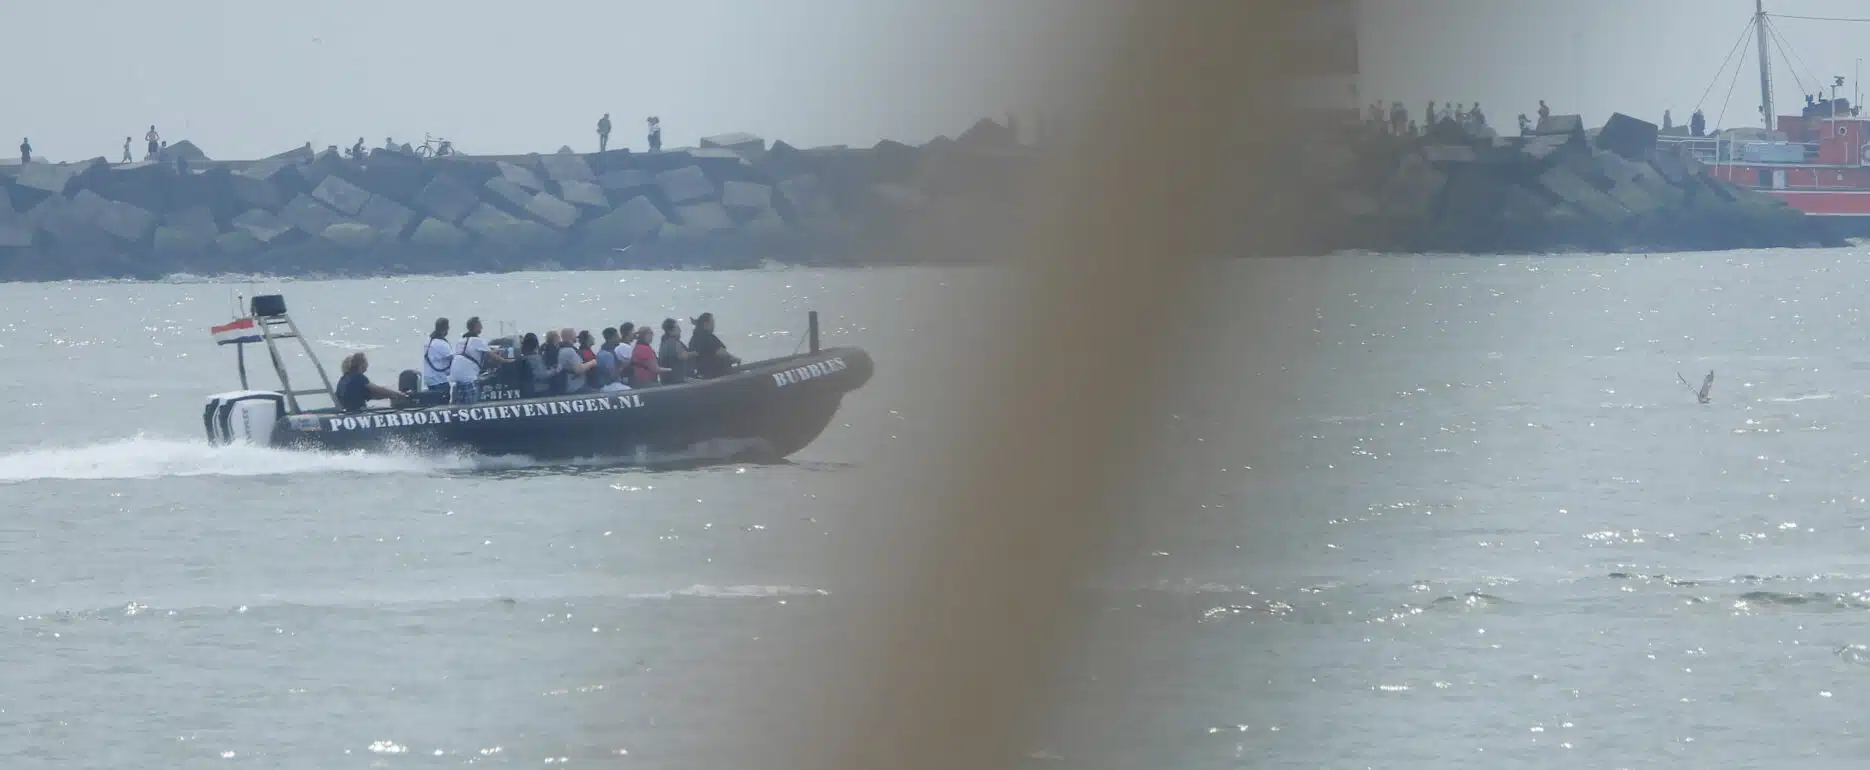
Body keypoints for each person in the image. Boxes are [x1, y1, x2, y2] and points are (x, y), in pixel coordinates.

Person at [448, 316, 510, 404]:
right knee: (471, 402)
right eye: (480, 325)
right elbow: (493, 356)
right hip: (467, 375)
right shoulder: (478, 341)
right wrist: (507, 361)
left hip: (454, 374)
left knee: (459, 403)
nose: (482, 327)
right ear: (476, 326)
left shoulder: (460, 341)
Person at [334, 352, 407, 412]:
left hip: (346, 411)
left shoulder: (344, 379)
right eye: (366, 363)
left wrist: (391, 395)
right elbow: (376, 389)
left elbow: (372, 395)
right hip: (356, 412)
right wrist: (398, 394)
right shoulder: (359, 377)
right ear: (361, 365)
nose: (368, 365)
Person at [687, 312, 739, 378]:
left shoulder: (693, 339)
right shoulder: (707, 337)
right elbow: (721, 352)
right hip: (716, 373)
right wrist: (735, 359)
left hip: (702, 374)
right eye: (712, 323)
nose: (714, 325)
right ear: (706, 324)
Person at [420, 318, 453, 394]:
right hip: (439, 379)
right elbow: (453, 359)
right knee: (445, 396)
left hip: (428, 379)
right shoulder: (441, 343)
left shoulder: (428, 340)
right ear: (445, 329)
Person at [657, 317, 695, 385]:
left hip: (665, 381)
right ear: (670, 331)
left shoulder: (663, 343)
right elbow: (682, 356)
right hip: (677, 382)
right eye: (677, 328)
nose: (680, 330)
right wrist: (695, 353)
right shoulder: (674, 342)